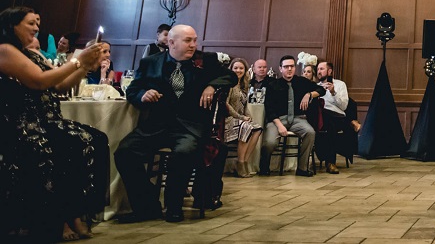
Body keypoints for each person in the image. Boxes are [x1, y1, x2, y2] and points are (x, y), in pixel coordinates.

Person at [0, 6, 109, 241]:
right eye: (31, 23)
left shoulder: (31, 54)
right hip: (21, 124)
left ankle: (74, 213)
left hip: (45, 120)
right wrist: (78, 61)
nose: (37, 27)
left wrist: (86, 66)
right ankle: (60, 219)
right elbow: (39, 82)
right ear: (12, 25)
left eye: (38, 23)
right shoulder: (5, 50)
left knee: (96, 139)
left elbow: (60, 85)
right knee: (66, 145)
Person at [115, 24, 236, 223]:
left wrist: (211, 86)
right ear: (171, 42)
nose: (193, 45)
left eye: (195, 40)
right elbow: (133, 90)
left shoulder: (206, 61)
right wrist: (143, 94)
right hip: (156, 125)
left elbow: (230, 76)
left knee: (184, 152)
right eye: (188, 41)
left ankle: (174, 206)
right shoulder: (150, 62)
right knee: (124, 152)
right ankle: (147, 206)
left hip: (190, 127)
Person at [260, 55, 325, 177]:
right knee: (269, 143)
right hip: (278, 120)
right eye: (286, 67)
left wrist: (309, 94)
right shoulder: (272, 85)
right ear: (280, 69)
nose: (289, 69)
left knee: (310, 133)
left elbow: (322, 90)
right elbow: (269, 108)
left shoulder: (302, 82)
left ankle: (302, 168)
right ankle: (264, 166)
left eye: (292, 66)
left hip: (298, 119)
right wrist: (279, 125)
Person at [314, 60, 358, 174]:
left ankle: (330, 162)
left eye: (321, 69)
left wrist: (333, 92)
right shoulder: (315, 87)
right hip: (321, 116)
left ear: (329, 71)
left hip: (337, 117)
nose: (319, 71)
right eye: (318, 69)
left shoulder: (340, 84)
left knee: (330, 124)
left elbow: (344, 106)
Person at [225, 57, 263, 178]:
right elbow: (226, 104)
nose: (238, 70)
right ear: (231, 69)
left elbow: (245, 105)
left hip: (240, 119)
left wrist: (248, 116)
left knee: (257, 128)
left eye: (241, 68)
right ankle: (240, 163)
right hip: (228, 119)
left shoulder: (244, 85)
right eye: (235, 68)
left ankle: (245, 162)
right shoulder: (228, 84)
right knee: (246, 127)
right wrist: (240, 117)